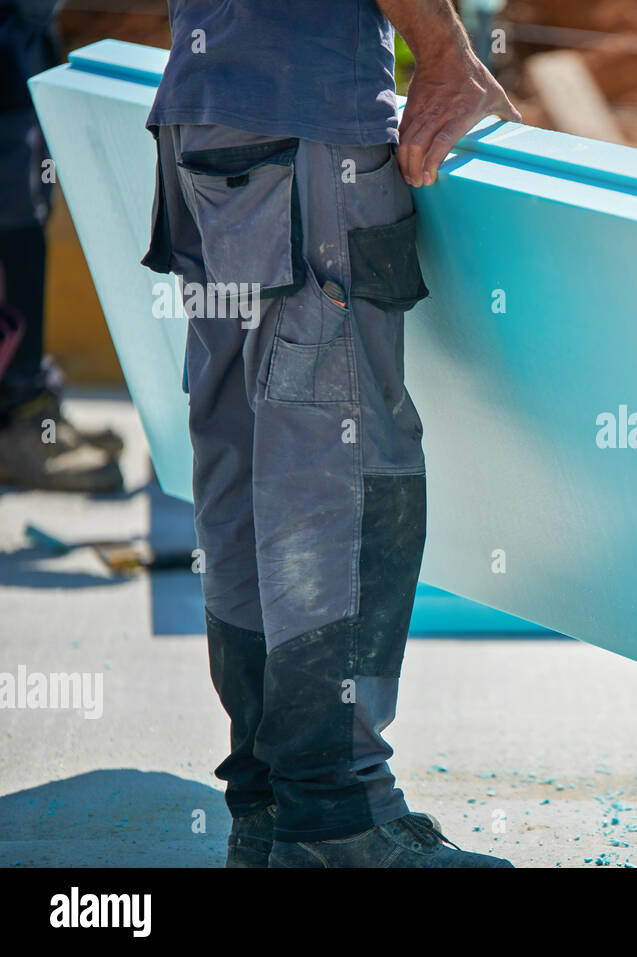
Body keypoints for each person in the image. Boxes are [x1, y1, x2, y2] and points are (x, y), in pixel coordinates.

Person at [141, 0, 521, 867]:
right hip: (307, 130)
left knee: (245, 457)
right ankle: (338, 812)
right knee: (336, 474)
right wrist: (445, 49)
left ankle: (269, 804)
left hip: (207, 120)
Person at [0, 0, 124, 493]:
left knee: (27, 212)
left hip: (21, 34)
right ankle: (18, 419)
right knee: (13, 218)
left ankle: (30, 406)